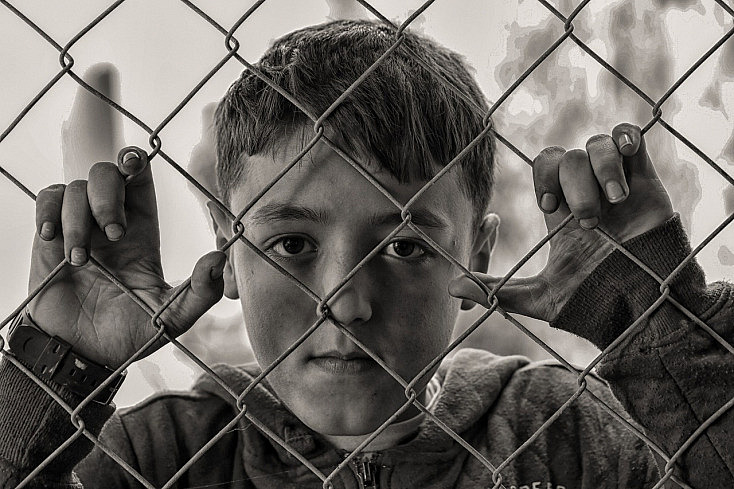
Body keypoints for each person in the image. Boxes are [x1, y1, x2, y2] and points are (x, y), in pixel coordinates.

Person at [0, 19, 731, 489]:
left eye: (407, 246)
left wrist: (660, 324)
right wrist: (56, 371)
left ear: (476, 252)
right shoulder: (163, 453)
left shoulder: (563, 435)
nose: (345, 300)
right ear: (229, 246)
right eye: (292, 244)